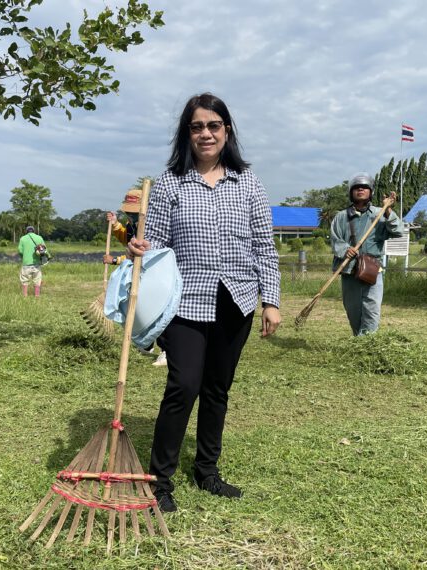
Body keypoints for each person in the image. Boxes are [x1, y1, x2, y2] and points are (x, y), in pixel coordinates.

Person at [128, 93, 281, 513]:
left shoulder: (247, 182)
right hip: (185, 302)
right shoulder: (171, 183)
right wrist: (138, 249)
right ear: (187, 134)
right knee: (184, 385)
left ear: (226, 131)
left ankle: (207, 471)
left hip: (237, 298)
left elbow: (264, 248)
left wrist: (271, 300)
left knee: (217, 388)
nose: (206, 133)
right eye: (197, 127)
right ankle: (160, 481)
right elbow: (154, 243)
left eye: (213, 125)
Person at [102, 189, 169, 366]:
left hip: (154, 272)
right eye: (128, 212)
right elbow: (128, 241)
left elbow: (144, 254)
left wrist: (116, 260)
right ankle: (147, 344)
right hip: (138, 273)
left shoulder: (152, 225)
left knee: (158, 309)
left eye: (134, 212)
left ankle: (167, 350)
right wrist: (116, 225)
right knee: (140, 307)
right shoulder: (132, 224)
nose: (130, 215)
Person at [330, 173, 402, 336]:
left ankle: (367, 345)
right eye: (356, 187)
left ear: (371, 192)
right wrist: (345, 249)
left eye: (364, 187)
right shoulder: (341, 217)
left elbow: (398, 231)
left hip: (372, 271)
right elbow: (335, 240)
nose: (360, 189)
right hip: (349, 270)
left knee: (372, 311)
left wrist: (388, 210)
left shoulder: (380, 214)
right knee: (353, 311)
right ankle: (359, 340)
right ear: (351, 192)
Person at [17, 225, 46, 297]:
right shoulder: (39, 238)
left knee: (24, 280)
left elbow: (20, 251)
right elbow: (44, 249)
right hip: (37, 263)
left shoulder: (22, 238)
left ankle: (25, 296)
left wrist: (23, 257)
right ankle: (37, 296)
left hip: (26, 263)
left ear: (26, 231)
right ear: (34, 231)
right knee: (37, 280)